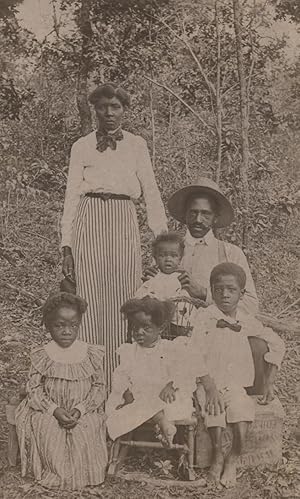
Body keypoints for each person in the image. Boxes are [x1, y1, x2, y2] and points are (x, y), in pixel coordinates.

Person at [61, 83, 167, 389]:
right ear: (94, 110)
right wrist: (66, 245)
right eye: (103, 107)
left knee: (125, 298)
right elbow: (70, 196)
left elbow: (150, 189)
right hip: (88, 216)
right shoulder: (81, 146)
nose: (109, 112)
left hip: (123, 220)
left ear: (125, 110)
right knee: (90, 299)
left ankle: (120, 386)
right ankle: (91, 383)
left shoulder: (136, 145)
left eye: (115, 106)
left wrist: (160, 236)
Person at [193, 263, 285, 488]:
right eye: (219, 289)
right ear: (212, 290)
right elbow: (193, 353)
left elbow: (277, 343)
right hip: (207, 382)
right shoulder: (204, 317)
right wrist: (210, 387)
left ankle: (233, 457)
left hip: (234, 384)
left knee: (241, 407)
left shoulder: (246, 320)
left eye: (231, 290)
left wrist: (269, 382)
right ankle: (217, 455)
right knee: (214, 410)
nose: (224, 294)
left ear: (241, 293)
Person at [15, 292, 107, 490]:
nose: (67, 331)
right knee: (48, 429)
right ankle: (55, 474)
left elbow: (99, 387)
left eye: (73, 326)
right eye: (59, 326)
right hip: (48, 409)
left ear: (79, 325)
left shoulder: (90, 353)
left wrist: (82, 409)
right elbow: (34, 388)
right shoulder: (43, 354)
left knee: (87, 427)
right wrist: (54, 409)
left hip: (82, 409)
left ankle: (85, 474)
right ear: (48, 327)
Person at [106, 296, 220, 447]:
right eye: (135, 328)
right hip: (141, 396)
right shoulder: (129, 351)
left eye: (146, 328)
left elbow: (187, 367)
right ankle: (163, 424)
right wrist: (125, 392)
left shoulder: (171, 348)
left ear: (160, 328)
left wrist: (172, 384)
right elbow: (121, 376)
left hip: (167, 395)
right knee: (134, 405)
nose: (139, 332)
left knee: (165, 404)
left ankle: (164, 425)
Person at [146, 176, 258, 315]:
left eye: (206, 214)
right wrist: (149, 284)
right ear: (185, 214)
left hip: (214, 331)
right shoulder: (167, 250)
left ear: (215, 217)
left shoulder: (231, 253)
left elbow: (250, 306)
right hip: (171, 332)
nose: (198, 219)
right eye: (193, 212)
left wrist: (204, 293)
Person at [135, 232, 200, 338]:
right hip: (157, 314)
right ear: (155, 258)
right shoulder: (154, 276)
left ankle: (183, 332)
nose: (168, 259)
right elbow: (142, 293)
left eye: (173, 256)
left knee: (185, 314)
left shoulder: (181, 276)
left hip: (179, 315)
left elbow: (185, 296)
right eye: (162, 255)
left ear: (180, 258)